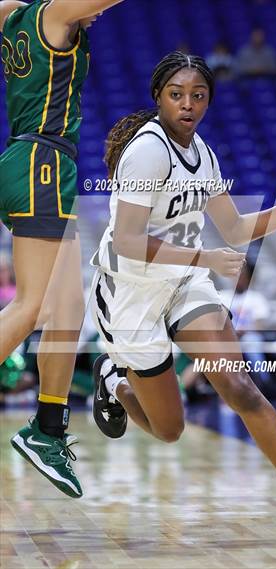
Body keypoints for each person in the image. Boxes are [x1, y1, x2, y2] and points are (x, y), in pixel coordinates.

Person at [90, 51, 276, 541]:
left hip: (186, 283)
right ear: (159, 98)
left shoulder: (204, 154)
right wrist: (205, 259)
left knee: (240, 387)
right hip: (131, 291)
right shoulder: (147, 151)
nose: (188, 104)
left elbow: (231, 226)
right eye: (176, 95)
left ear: (208, 100)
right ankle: (114, 380)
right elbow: (127, 241)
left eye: (198, 95)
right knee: (169, 429)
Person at [0, 0, 125, 499]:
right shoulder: (50, 14)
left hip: (43, 163)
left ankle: (47, 428)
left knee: (68, 308)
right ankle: (46, 427)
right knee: (31, 306)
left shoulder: (17, 16)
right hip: (41, 162)